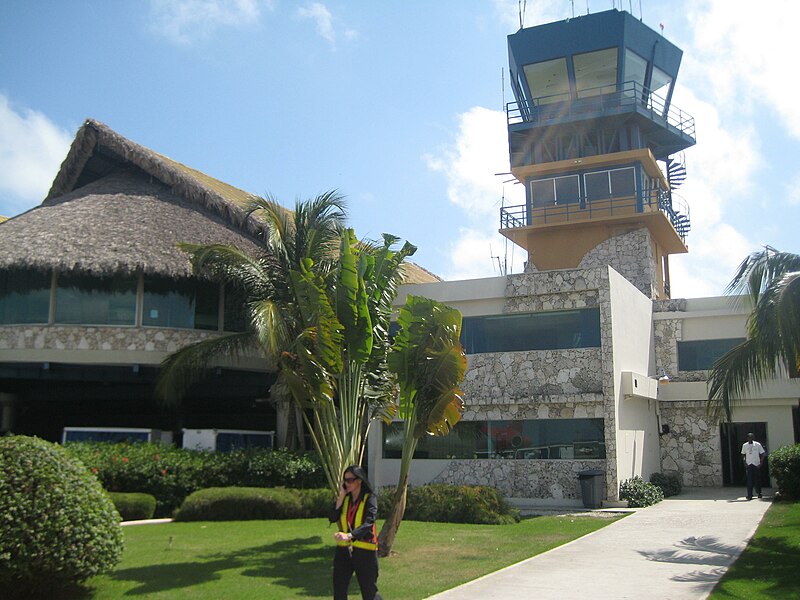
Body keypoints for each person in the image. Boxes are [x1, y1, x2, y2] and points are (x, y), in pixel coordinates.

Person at [329, 465, 383, 600]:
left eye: (350, 480)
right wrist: (341, 495)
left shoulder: (369, 498)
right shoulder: (345, 499)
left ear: (359, 480)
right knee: (339, 589)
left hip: (365, 551)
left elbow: (368, 523)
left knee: (369, 592)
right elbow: (332, 517)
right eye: (344, 480)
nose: (346, 483)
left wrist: (349, 535)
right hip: (344, 550)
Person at [741, 432, 766, 500]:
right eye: (748, 437)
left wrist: (761, 463)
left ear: (753, 438)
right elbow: (743, 454)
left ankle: (759, 493)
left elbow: (763, 453)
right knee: (749, 481)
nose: (750, 439)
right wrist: (744, 462)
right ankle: (750, 495)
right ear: (747, 438)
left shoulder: (757, 445)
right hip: (749, 465)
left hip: (756, 464)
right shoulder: (745, 445)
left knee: (757, 480)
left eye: (751, 437)